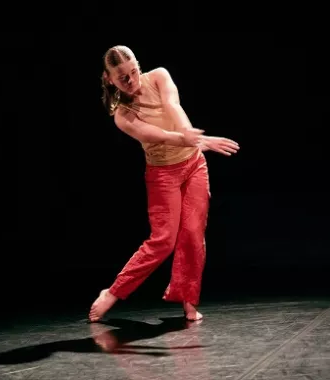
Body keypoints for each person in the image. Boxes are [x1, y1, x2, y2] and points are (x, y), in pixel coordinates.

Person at [89, 45, 239, 322]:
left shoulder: (158, 76)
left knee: (193, 235)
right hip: (163, 175)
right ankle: (112, 292)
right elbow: (160, 135)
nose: (131, 80)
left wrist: (189, 133)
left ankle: (187, 299)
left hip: (194, 166)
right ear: (109, 79)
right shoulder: (123, 115)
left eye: (134, 71)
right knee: (163, 240)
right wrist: (194, 139)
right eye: (123, 77)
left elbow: (173, 105)